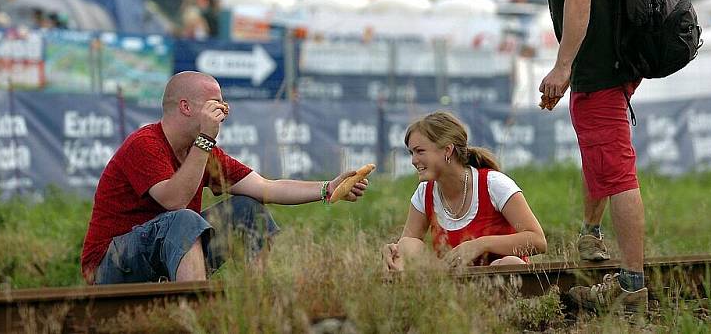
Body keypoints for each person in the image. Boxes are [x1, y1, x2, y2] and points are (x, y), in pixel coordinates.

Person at [81, 71, 369, 285]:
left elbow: (265, 187)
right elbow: (174, 201)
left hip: (164, 257)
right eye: (215, 103)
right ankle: (195, 310)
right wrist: (205, 139)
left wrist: (326, 188)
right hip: (110, 265)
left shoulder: (202, 151)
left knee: (248, 209)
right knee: (184, 218)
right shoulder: (146, 144)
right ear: (186, 107)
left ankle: (257, 304)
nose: (224, 110)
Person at [518, 0, 647, 313]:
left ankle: (632, 285)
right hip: (623, 63)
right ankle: (592, 237)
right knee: (600, 152)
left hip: (597, 70)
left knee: (618, 170)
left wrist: (562, 66)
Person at [382, 111, 546, 271]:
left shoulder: (493, 184)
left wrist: (481, 245)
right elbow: (408, 244)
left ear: (447, 150)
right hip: (452, 285)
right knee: (406, 245)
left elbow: (538, 241)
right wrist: (394, 252)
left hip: (502, 284)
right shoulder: (424, 192)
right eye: (411, 153)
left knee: (509, 262)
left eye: (420, 151)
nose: (413, 160)